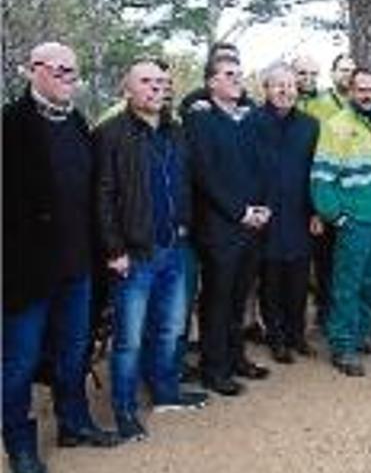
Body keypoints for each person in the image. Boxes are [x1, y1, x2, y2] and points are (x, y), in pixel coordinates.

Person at [3, 42, 119, 473]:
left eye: (74, 72)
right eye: (61, 71)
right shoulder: (10, 125)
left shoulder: (76, 123)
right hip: (26, 274)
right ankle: (20, 446)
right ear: (33, 71)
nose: (70, 79)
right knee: (19, 363)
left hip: (78, 268)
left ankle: (74, 423)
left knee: (73, 353)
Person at [94, 60, 210, 442]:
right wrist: (114, 249)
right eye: (146, 81)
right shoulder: (110, 134)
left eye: (162, 82)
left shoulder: (176, 132)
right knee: (128, 339)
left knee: (172, 328)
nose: (156, 88)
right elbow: (103, 196)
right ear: (127, 89)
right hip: (134, 252)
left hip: (175, 247)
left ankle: (165, 392)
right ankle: (125, 409)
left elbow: (187, 185)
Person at [188, 54, 271, 396]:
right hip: (220, 228)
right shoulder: (200, 121)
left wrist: (263, 208)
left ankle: (236, 357)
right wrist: (240, 211)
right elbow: (205, 176)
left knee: (239, 297)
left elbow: (261, 166)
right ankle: (214, 369)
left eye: (239, 74)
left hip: (253, 225)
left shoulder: (248, 120)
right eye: (229, 75)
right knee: (218, 299)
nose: (237, 79)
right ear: (211, 83)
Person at [310, 67, 371, 377]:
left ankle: (362, 335)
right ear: (350, 90)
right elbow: (321, 178)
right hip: (353, 218)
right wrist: (335, 215)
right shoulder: (336, 126)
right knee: (347, 282)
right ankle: (342, 344)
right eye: (360, 89)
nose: (367, 94)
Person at [251, 63, 321, 364]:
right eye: (278, 85)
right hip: (265, 214)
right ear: (266, 89)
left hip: (300, 213)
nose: (285, 91)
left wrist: (318, 211)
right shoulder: (250, 122)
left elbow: (317, 172)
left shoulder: (310, 125)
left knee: (298, 280)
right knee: (271, 280)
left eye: (290, 86)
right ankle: (277, 337)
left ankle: (297, 334)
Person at [298, 53, 357, 329]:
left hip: (352, 193)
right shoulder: (318, 105)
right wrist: (316, 205)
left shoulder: (362, 106)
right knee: (323, 257)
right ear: (333, 74)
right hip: (323, 190)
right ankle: (323, 311)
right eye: (342, 70)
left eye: (351, 71)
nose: (347, 75)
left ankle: (343, 311)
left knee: (344, 258)